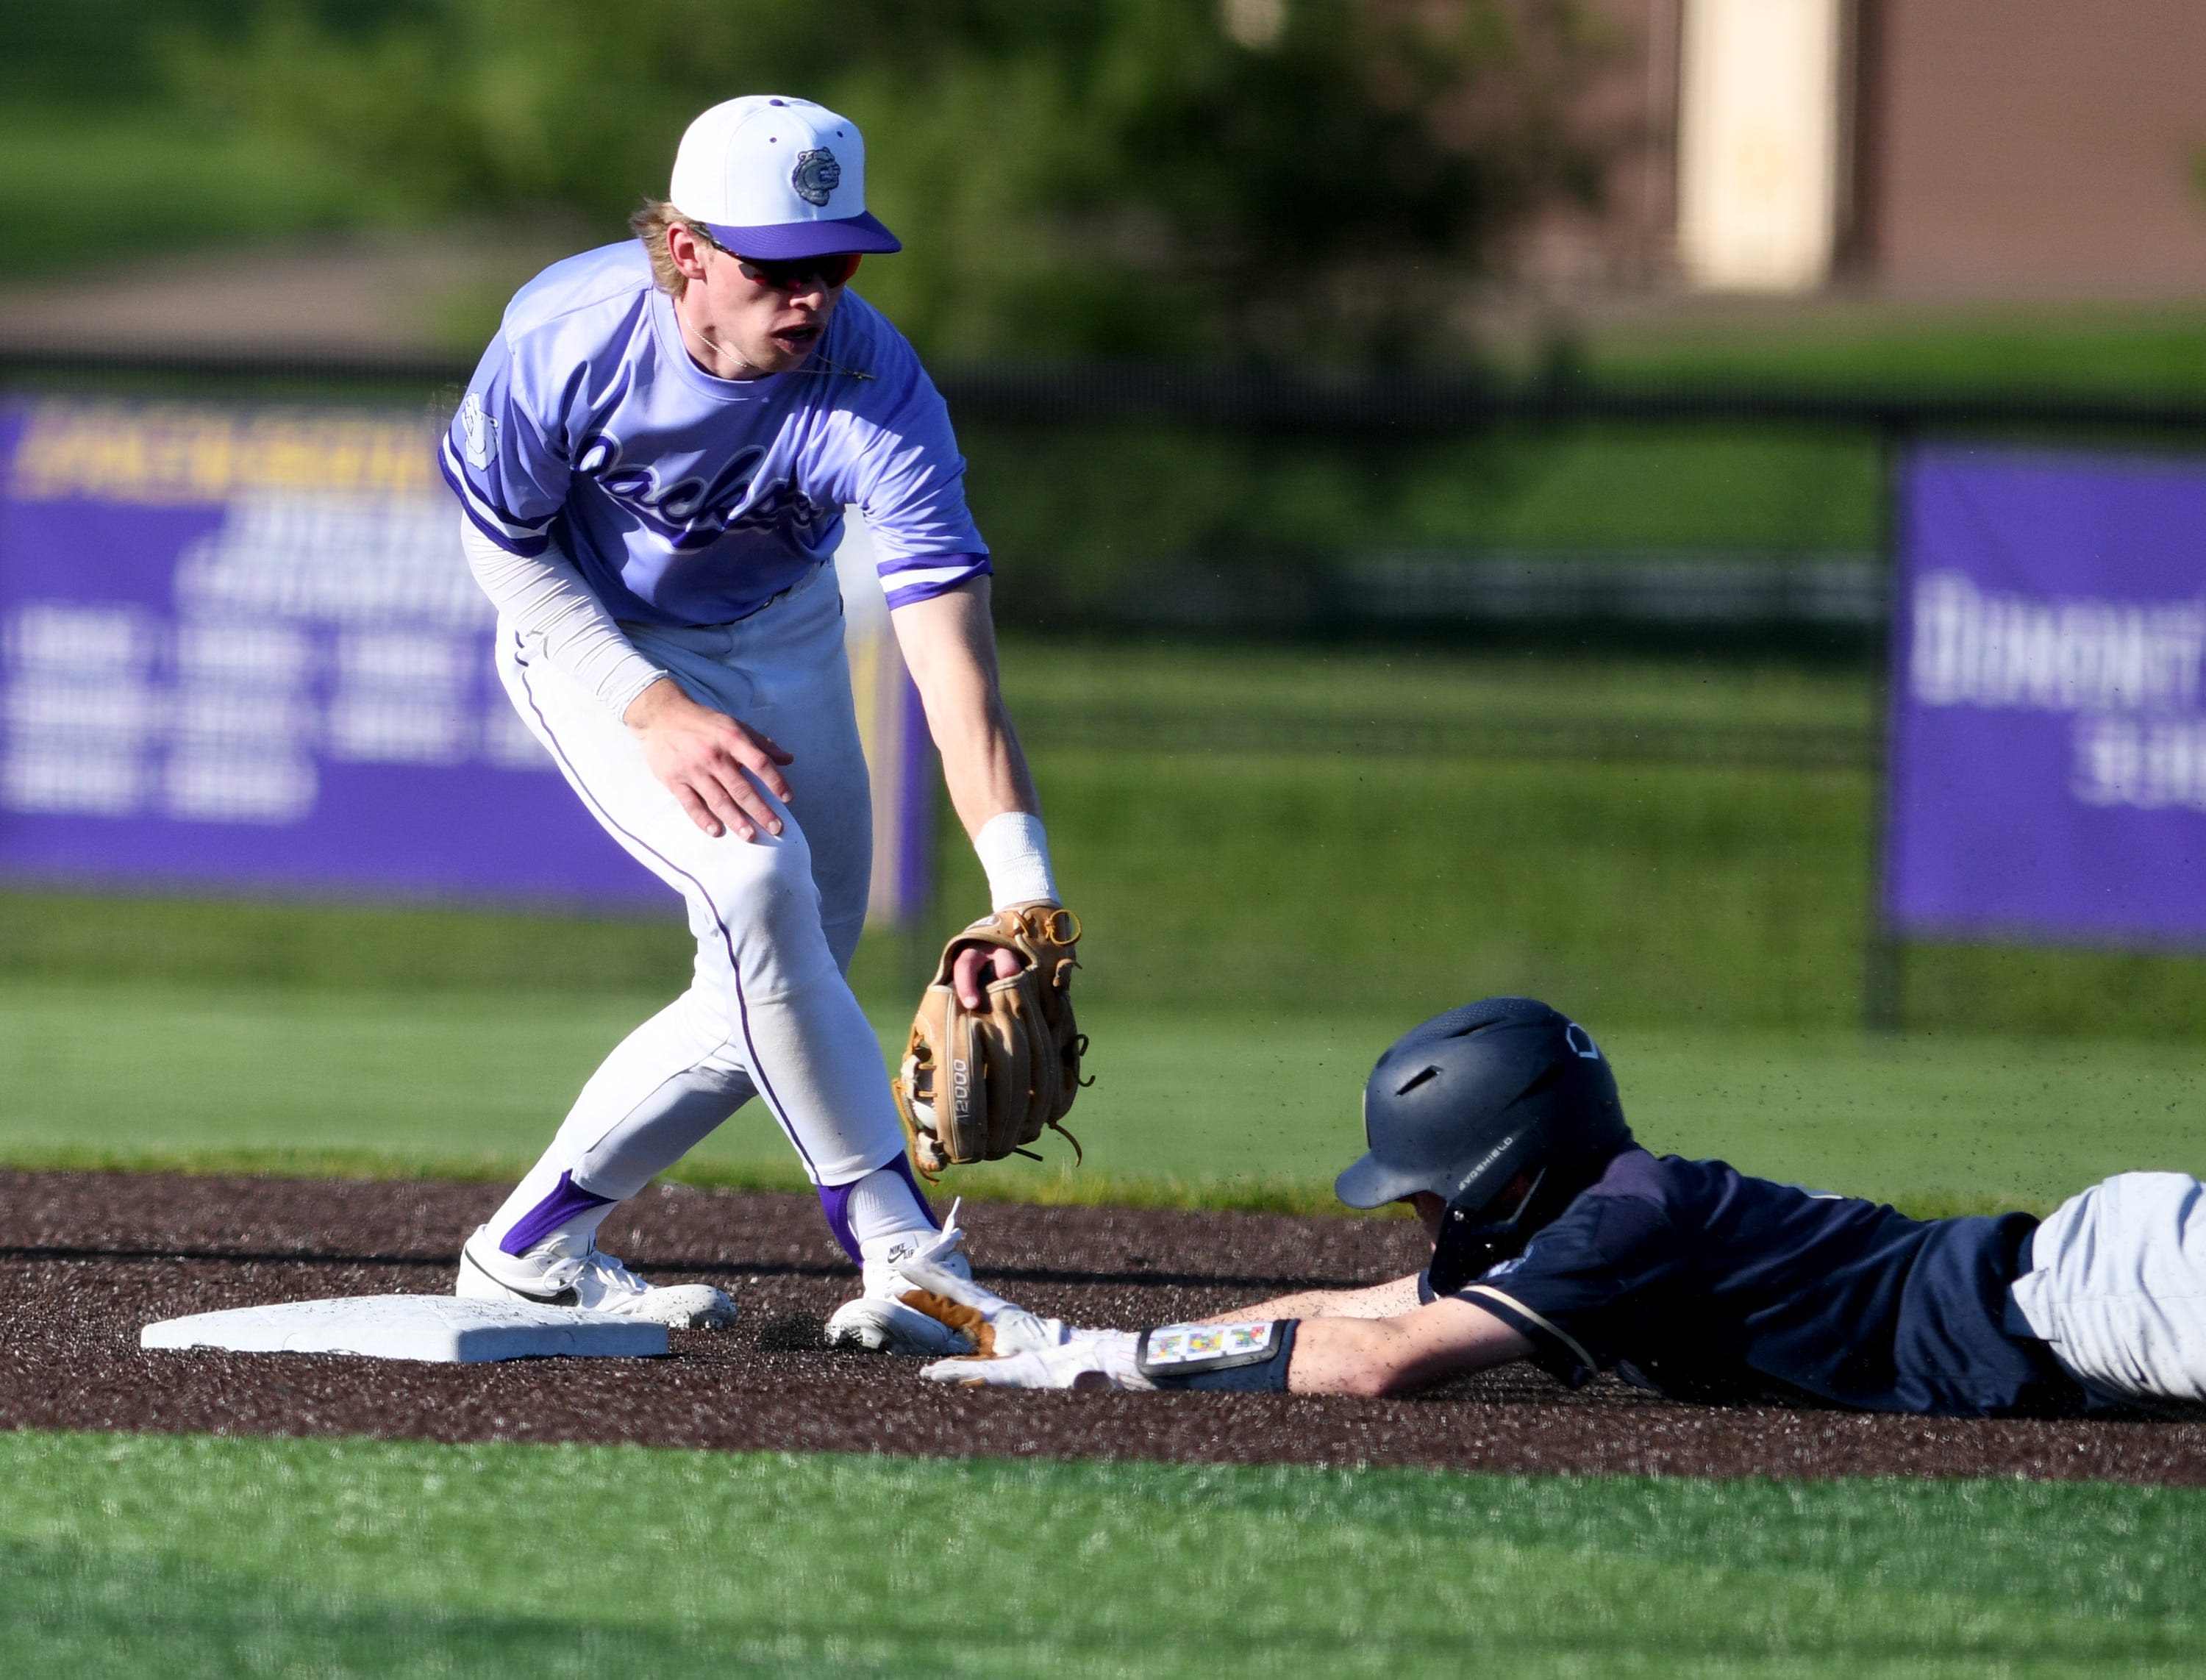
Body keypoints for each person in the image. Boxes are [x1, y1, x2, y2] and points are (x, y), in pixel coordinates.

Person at [439, 94, 1058, 1354]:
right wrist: (649, 704)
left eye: (835, 264)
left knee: (784, 968)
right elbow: (503, 549)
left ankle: (527, 1250)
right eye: (779, 266)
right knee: (758, 883)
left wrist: (1024, 891)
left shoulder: (879, 388)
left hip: (780, 640)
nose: (814, 297)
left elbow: (954, 666)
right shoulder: (566, 334)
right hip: (592, 638)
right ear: (685, 252)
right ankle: (905, 1249)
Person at [902, 997, 2206, 1415]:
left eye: (1425, 1193)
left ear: (1505, 1171)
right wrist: (1079, 1343)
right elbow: (1356, 1308)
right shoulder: (1604, 1211)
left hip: (2101, 1287)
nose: (1413, 1223)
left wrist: (1105, 1370)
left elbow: (1381, 1363)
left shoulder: (1628, 1224)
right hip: (2083, 1300)